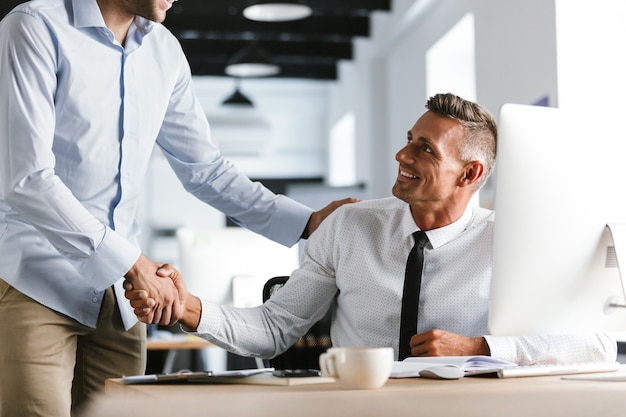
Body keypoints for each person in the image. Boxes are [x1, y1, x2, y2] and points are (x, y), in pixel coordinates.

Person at [0, 1, 354, 416]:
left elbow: (205, 171)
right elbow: (27, 179)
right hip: (36, 281)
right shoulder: (34, 26)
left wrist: (308, 222)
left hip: (120, 300)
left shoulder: (163, 51)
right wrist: (132, 263)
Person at [128, 93, 616, 366]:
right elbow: (275, 328)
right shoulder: (350, 226)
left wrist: (481, 348)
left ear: (470, 175)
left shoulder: (509, 241)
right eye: (408, 141)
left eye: (425, 149)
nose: (403, 156)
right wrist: (188, 308)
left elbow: (596, 343)